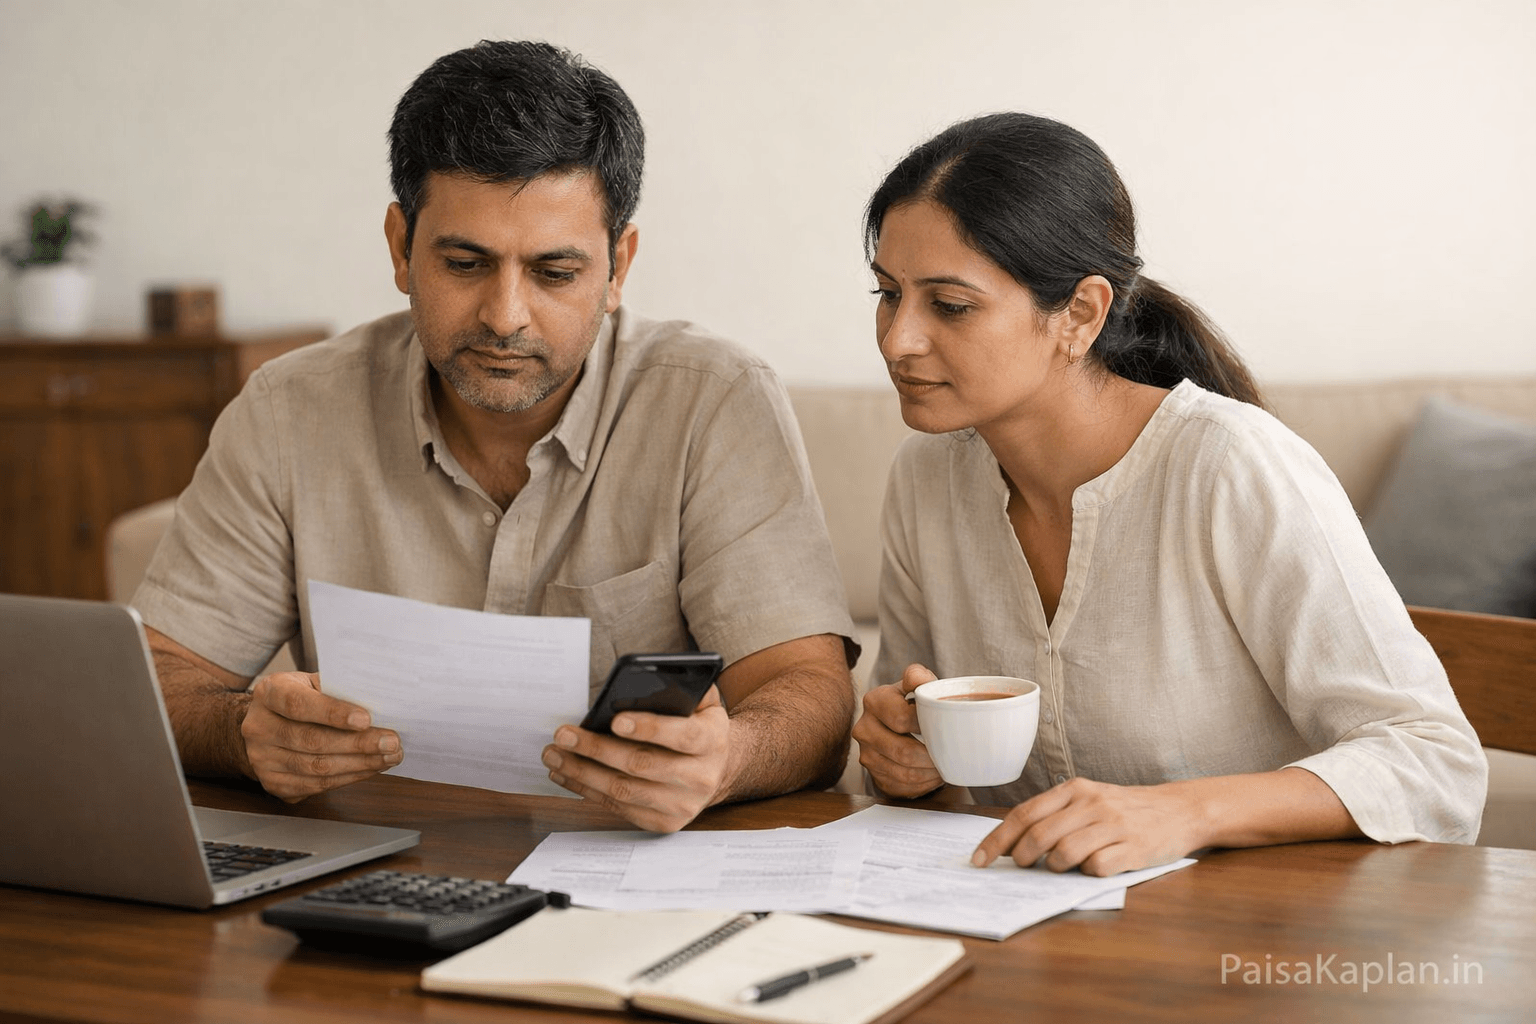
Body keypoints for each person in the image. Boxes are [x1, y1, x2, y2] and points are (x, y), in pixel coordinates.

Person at [134, 40, 858, 834]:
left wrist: (728, 760)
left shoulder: (713, 402)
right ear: (400, 247)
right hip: (374, 862)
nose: (505, 316)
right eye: (466, 262)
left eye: (554, 273)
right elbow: (155, 680)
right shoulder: (289, 410)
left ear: (619, 267)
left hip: (621, 878)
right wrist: (243, 736)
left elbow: (809, 693)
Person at [851, 112, 1487, 875]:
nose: (897, 340)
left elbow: (1437, 766)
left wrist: (1184, 812)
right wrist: (905, 763)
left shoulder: (1232, 467)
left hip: (1255, 938)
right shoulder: (925, 480)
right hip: (1035, 937)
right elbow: (930, 785)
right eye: (888, 294)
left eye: (949, 306)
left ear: (1080, 313)